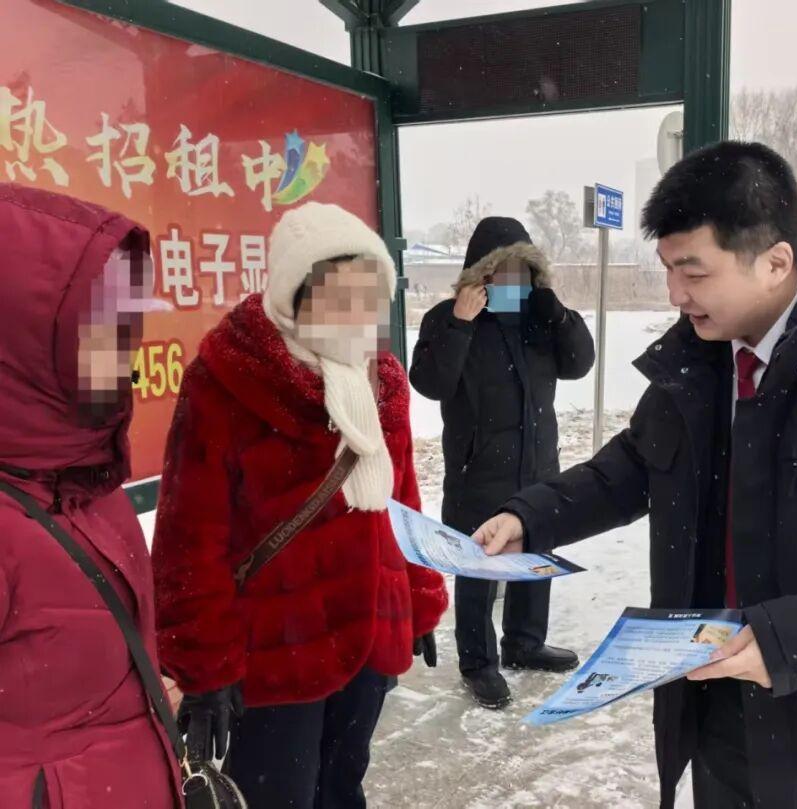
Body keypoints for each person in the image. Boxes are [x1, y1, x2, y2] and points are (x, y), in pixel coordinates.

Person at [474, 142, 797, 809]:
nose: (675, 294)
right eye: (668, 269)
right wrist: (533, 515)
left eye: (693, 271)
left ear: (775, 262)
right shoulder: (702, 358)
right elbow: (638, 461)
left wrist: (791, 639)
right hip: (728, 720)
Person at [152, 201, 448, 809]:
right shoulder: (226, 381)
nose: (358, 315)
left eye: (370, 296)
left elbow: (402, 500)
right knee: (279, 797)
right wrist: (204, 666)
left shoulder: (381, 379)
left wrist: (418, 598)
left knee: (342, 787)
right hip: (274, 651)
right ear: (294, 295)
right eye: (340, 297)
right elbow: (189, 539)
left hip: (370, 629)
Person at [0, 183, 180, 807]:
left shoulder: (88, 478)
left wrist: (143, 697)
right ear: (23, 340)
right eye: (105, 330)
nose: (131, 356)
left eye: (131, 328)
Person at [410, 217, 595, 709]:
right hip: (477, 471)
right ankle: (478, 662)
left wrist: (559, 314)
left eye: (522, 272)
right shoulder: (448, 318)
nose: (514, 282)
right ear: (481, 275)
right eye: (502, 272)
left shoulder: (540, 316)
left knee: (535, 555)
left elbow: (580, 364)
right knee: (477, 565)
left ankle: (525, 643)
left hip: (538, 465)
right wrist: (460, 322)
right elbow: (430, 382)